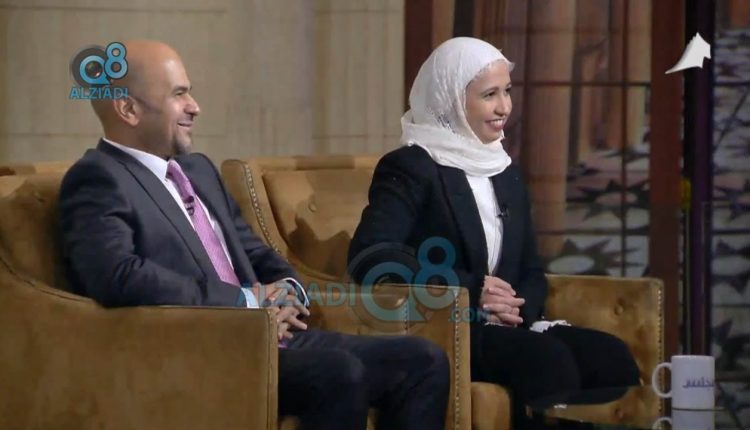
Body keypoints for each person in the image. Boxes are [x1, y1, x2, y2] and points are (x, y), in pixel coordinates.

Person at [59, 40, 449, 430]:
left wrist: (287, 291)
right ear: (128, 109)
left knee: (423, 361)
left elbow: (252, 249)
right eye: (179, 95)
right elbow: (117, 275)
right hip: (201, 347)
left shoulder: (198, 169)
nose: (195, 106)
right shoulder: (99, 177)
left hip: (270, 334)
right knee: (339, 371)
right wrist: (244, 303)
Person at [348, 37, 640, 427]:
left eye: (507, 91)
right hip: (447, 324)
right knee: (549, 365)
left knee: (611, 360)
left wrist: (517, 308)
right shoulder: (412, 167)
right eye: (489, 95)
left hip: (507, 324)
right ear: (452, 100)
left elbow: (531, 268)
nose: (504, 107)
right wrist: (472, 289)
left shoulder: (504, 169)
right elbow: (371, 256)